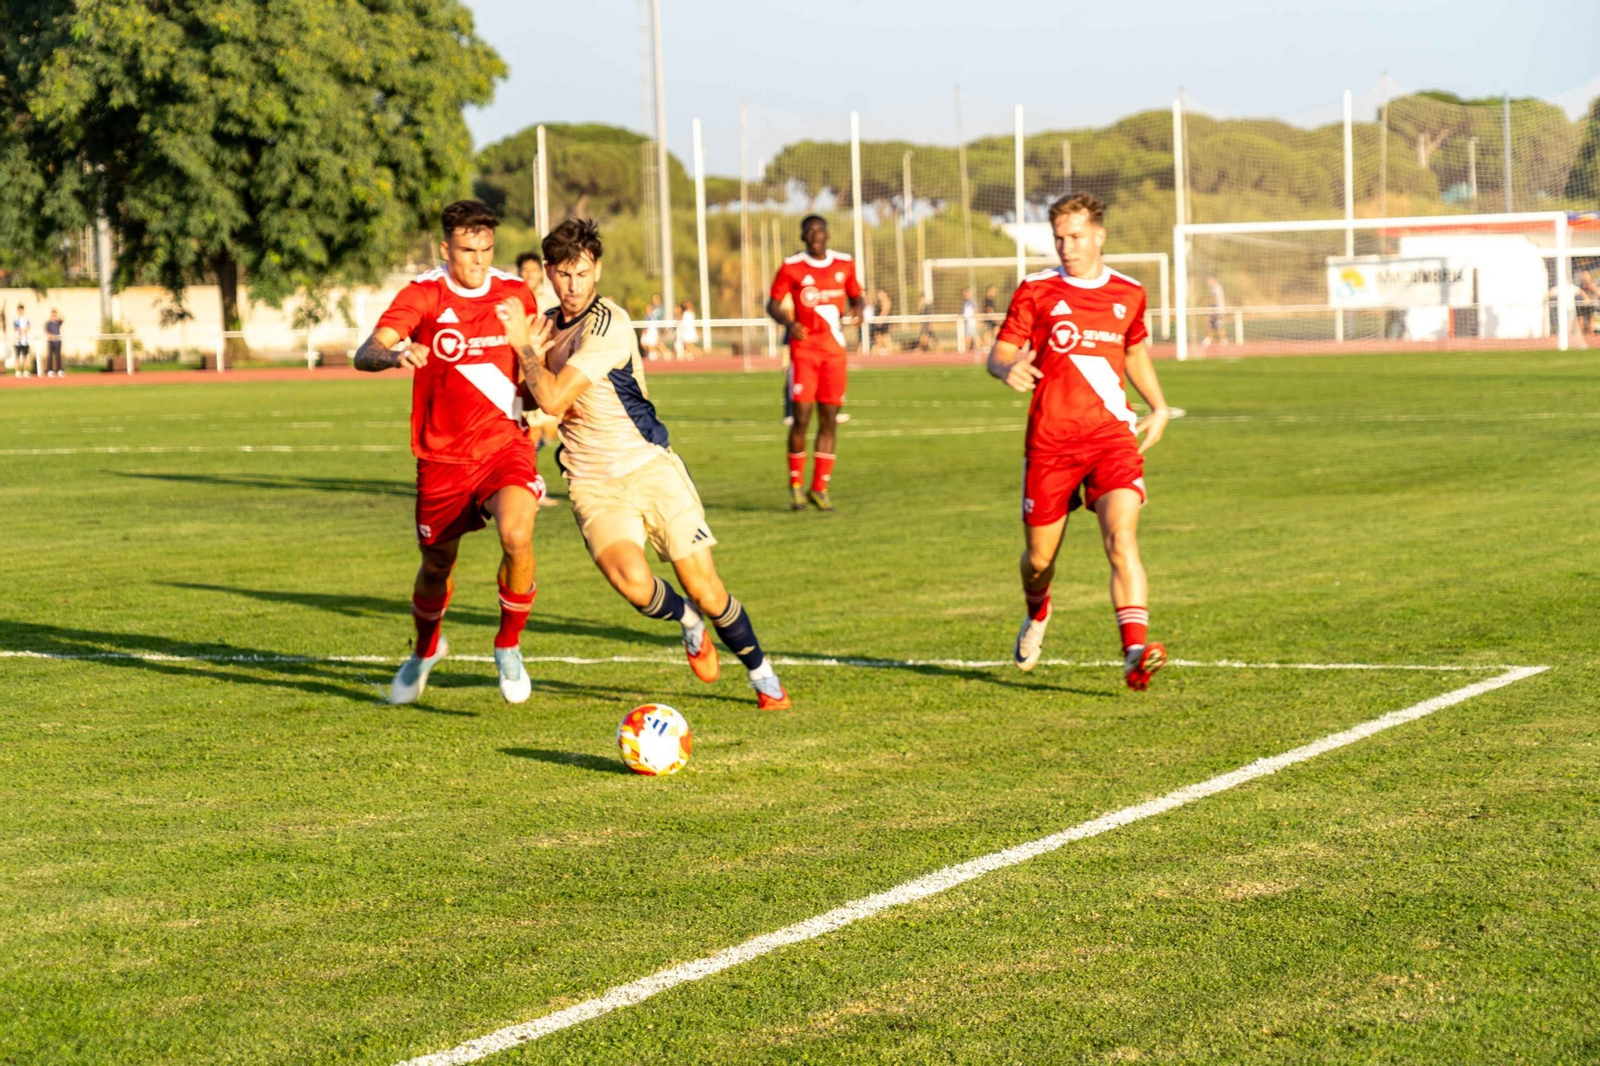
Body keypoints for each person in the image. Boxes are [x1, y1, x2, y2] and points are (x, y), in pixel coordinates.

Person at [499, 218, 790, 710]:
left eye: (584, 273)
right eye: (565, 275)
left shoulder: (607, 323)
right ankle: (688, 623)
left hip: (649, 468)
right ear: (549, 272)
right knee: (634, 585)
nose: (574, 286)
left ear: (598, 270)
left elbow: (551, 398)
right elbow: (527, 398)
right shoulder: (546, 324)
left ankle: (762, 674)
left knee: (707, 588)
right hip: (593, 484)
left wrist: (525, 349)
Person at [352, 199, 545, 706]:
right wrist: (396, 354)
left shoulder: (514, 293)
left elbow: (536, 356)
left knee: (517, 533)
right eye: (466, 250)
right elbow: (366, 352)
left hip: (505, 447)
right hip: (441, 459)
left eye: (486, 250)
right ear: (445, 248)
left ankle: (507, 644)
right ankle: (424, 650)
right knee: (437, 566)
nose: (478, 261)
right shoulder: (425, 295)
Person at [987, 192, 1172, 691]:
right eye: (1058, 238)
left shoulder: (1130, 292)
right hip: (1050, 444)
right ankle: (1037, 609)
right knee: (1040, 561)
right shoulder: (1036, 290)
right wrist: (1008, 368)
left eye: (1074, 237)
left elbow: (1133, 352)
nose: (1065, 247)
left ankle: (1135, 652)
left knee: (1121, 539)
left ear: (1098, 235)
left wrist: (1158, 406)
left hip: (1112, 438)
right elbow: (998, 352)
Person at [767, 215, 864, 512]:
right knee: (802, 419)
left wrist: (859, 309)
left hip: (834, 354)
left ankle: (820, 489)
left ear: (827, 234)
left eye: (820, 230)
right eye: (810, 232)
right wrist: (787, 321)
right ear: (803, 237)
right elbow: (772, 303)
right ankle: (796, 486)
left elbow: (858, 296)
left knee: (829, 421)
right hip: (804, 353)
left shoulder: (844, 264)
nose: (816, 236)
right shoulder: (792, 267)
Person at [515, 250, 563, 508]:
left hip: (547, 372)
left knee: (549, 431)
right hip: (524, 374)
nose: (530, 274)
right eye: (525, 270)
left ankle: (525, 482)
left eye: (534, 270)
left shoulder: (550, 301)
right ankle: (528, 487)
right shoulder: (513, 302)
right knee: (532, 433)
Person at [640, 293, 665, 360]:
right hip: (652, 330)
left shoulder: (660, 309)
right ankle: (654, 354)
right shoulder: (650, 312)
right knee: (648, 343)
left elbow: (661, 318)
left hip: (654, 329)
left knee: (655, 343)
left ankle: (660, 354)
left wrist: (662, 328)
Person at [1205, 274, 1226, 348]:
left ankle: (1222, 340)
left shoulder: (1216, 287)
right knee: (1212, 324)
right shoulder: (1214, 287)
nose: (1208, 282)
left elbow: (1215, 298)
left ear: (1212, 279)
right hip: (1216, 309)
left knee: (1218, 324)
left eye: (1209, 280)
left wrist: (1210, 302)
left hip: (1217, 309)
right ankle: (1209, 339)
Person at [871, 289, 893, 354]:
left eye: (880, 294)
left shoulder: (886, 301)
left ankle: (889, 351)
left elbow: (884, 312)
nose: (878, 295)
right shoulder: (879, 302)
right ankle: (881, 351)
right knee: (878, 336)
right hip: (880, 321)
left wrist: (880, 321)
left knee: (885, 336)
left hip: (883, 321)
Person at [12, 304, 31, 377]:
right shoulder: (16, 319)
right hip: (17, 340)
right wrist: (19, 330)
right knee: (17, 356)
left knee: (25, 356)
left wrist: (24, 330)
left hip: (25, 340)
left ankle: (25, 371)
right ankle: (17, 371)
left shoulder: (26, 319)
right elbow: (14, 327)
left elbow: (28, 327)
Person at [44, 309, 63, 377]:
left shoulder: (58, 322)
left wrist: (59, 313)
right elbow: (46, 331)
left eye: (55, 314)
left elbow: (63, 319)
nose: (54, 316)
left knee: (58, 356)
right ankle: (50, 370)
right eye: (53, 314)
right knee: (50, 356)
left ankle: (59, 370)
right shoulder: (48, 323)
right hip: (50, 341)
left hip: (58, 341)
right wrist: (51, 335)